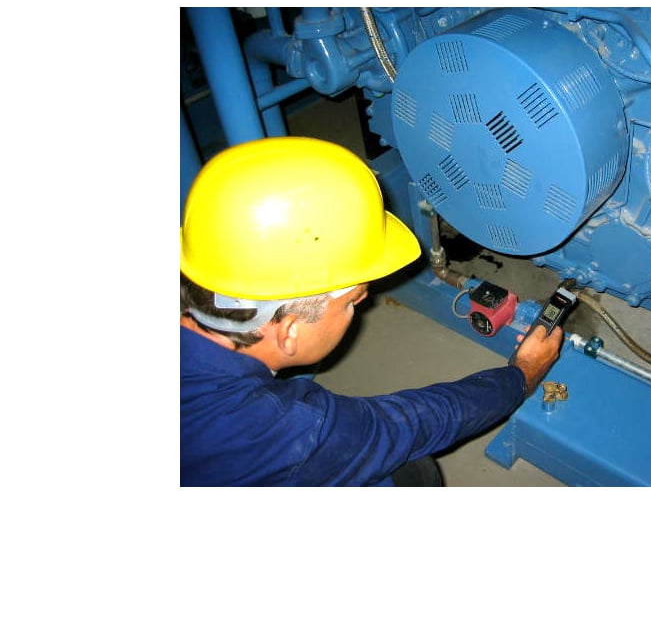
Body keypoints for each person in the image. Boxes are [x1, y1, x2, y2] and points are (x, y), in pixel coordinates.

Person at [180, 136, 563, 486]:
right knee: (412, 472)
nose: (364, 301)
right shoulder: (291, 431)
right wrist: (523, 374)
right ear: (289, 331)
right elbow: (410, 424)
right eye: (351, 301)